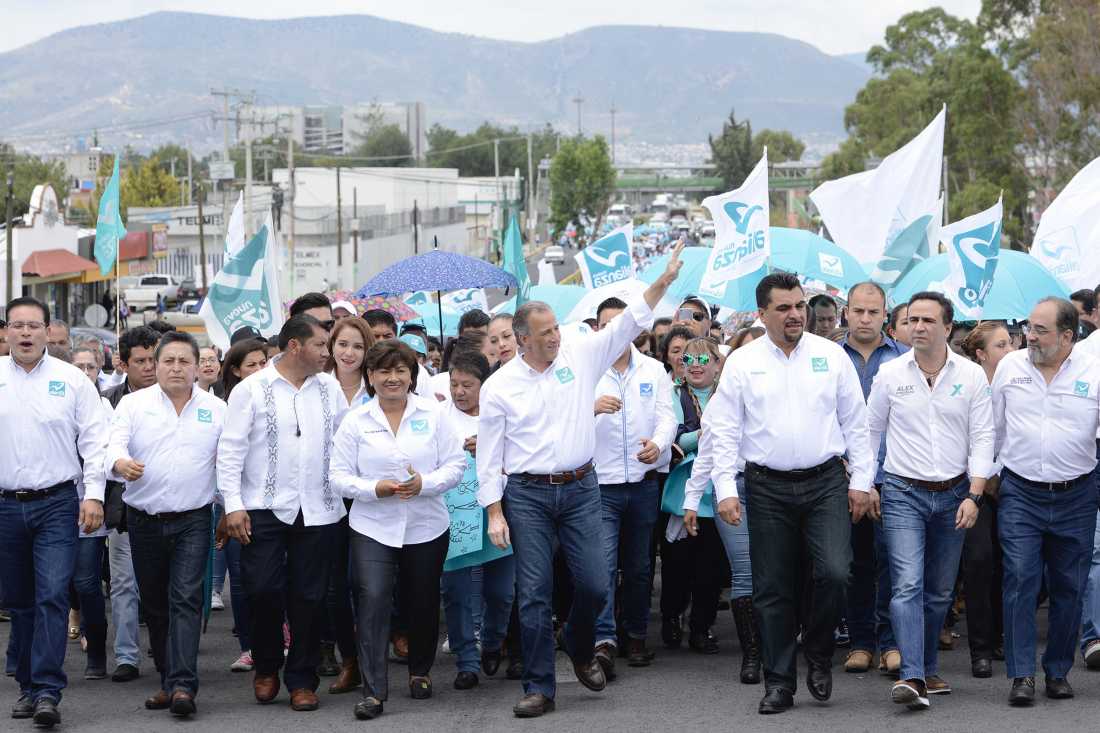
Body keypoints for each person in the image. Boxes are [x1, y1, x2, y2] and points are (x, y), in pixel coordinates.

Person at [476, 242, 684, 718]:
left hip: (582, 489)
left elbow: (628, 322)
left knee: (594, 584)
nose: (555, 338)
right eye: (545, 333)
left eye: (555, 329)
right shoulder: (499, 387)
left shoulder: (581, 356)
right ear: (522, 340)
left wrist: (663, 282)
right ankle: (539, 686)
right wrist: (493, 510)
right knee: (532, 594)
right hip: (526, 496)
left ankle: (579, 638)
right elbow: (489, 455)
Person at [701, 272, 874, 715]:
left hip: (826, 482)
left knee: (835, 572)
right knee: (772, 588)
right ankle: (779, 682)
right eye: (784, 308)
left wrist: (861, 481)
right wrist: (724, 488)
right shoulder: (743, 362)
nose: (796, 314)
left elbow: (857, 423)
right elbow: (722, 428)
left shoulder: (830, 355)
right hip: (767, 486)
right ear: (763, 314)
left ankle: (817, 653)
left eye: (799, 305)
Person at [867, 292, 994, 710]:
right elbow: (869, 432)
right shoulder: (889, 373)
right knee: (907, 584)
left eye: (927, 320)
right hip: (902, 491)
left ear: (948, 327)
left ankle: (926, 667)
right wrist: (867, 483)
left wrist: (975, 494)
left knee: (939, 592)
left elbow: (982, 438)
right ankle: (912, 674)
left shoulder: (972, 375)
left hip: (956, 493)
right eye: (912, 319)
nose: (918, 326)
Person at [218, 315, 347, 712]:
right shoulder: (251, 389)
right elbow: (230, 450)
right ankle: (267, 664)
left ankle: (302, 679)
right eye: (321, 345)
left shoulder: (329, 388)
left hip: (319, 507)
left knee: (309, 597)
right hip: (262, 507)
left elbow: (345, 440)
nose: (328, 353)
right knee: (262, 590)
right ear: (295, 346)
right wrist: (233, 505)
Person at [331, 340, 466, 720]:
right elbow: (338, 477)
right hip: (372, 525)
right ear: (370, 377)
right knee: (372, 599)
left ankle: (419, 671)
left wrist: (426, 483)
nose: (393, 378)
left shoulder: (435, 414)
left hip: (426, 524)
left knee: (421, 600)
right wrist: (373, 489)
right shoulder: (356, 421)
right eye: (383, 372)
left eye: (400, 370)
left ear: (412, 374)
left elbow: (455, 465)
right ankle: (374, 691)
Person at [0, 296, 108, 728]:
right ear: (6, 331)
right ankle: (27, 687)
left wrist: (94, 494)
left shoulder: (72, 380)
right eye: (17, 325)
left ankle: (47, 691)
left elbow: (95, 441)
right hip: (6, 506)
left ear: (48, 330)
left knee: (52, 596)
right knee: (20, 602)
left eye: (34, 325)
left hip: (57, 504)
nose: (26, 333)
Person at [106, 331, 226, 718]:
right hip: (143, 519)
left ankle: (182, 686)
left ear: (197, 366)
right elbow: (112, 445)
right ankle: (167, 679)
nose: (176, 368)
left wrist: (232, 509)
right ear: (155, 365)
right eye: (168, 361)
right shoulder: (132, 405)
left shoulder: (216, 409)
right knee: (155, 603)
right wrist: (120, 463)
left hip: (194, 518)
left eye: (184, 361)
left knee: (186, 599)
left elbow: (228, 465)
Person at [992, 297, 1100, 706]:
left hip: (1077, 495)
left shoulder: (1094, 369)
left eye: (1040, 330)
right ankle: (1022, 676)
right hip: (1021, 492)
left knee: (1069, 586)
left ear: (1068, 336)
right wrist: (990, 475)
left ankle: (1057, 670)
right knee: (1020, 578)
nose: (1029, 336)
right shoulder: (1011, 367)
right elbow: (993, 424)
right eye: (1028, 327)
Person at [591, 297, 677, 675]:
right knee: (604, 565)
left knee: (641, 565)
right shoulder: (584, 372)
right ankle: (604, 639)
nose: (617, 332)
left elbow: (667, 417)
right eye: (609, 325)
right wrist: (590, 408)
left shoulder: (654, 370)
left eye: (623, 323)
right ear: (598, 330)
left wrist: (658, 444)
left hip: (643, 483)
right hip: (600, 485)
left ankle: (637, 633)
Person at [836, 283, 908, 675]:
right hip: (841, 479)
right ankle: (860, 642)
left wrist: (877, 479)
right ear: (845, 312)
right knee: (852, 564)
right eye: (857, 311)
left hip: (894, 477)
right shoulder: (829, 358)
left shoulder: (904, 359)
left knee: (893, 565)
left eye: (873, 312)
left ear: (885, 314)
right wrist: (854, 476)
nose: (865, 319)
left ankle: (890, 643)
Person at [439, 352, 517, 692]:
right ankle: (466, 661)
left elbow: (522, 460)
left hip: (498, 513)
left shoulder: (501, 416)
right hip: (454, 517)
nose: (459, 392)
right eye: (454, 384)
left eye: (467, 385)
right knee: (456, 593)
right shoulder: (438, 418)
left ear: (484, 386)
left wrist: (489, 449)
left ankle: (492, 640)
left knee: (501, 593)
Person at [102, 325, 162, 685]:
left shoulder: (178, 397)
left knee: (164, 586)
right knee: (124, 583)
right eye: (140, 361)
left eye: (153, 359)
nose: (149, 367)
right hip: (123, 508)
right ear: (123, 364)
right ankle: (126, 655)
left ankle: (168, 647)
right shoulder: (109, 401)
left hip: (171, 507)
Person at [318, 317, 374, 694]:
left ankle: (373, 661)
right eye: (342, 344)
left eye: (357, 346)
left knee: (369, 584)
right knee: (336, 585)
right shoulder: (316, 386)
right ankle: (349, 659)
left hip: (372, 496)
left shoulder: (379, 386)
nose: (349, 353)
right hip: (327, 497)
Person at [666, 338, 729, 657]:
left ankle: (702, 627)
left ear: (718, 363)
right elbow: (675, 437)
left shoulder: (728, 395)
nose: (696, 363)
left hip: (720, 492)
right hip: (685, 493)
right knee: (677, 566)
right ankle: (671, 618)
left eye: (704, 357)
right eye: (689, 357)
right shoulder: (674, 395)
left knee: (712, 568)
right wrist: (706, 433)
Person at [960, 321, 1014, 678]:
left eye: (1011, 343)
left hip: (1012, 482)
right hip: (972, 485)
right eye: (1000, 345)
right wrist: (984, 476)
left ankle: (1002, 635)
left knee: (1013, 563)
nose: (1010, 350)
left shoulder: (1018, 381)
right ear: (981, 354)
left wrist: (999, 470)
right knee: (979, 561)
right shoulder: (967, 382)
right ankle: (980, 646)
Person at [213, 338, 269, 674]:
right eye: (252, 364)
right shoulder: (222, 405)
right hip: (235, 504)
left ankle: (282, 639)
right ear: (235, 370)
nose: (261, 370)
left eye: (264, 362)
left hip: (273, 503)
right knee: (244, 580)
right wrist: (227, 504)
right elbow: (224, 458)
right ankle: (250, 646)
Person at [69, 348, 115, 681]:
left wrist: (96, 496)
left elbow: (108, 455)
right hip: (54, 502)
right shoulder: (55, 400)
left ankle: (96, 649)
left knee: (87, 580)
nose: (85, 371)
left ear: (100, 371)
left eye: (91, 366)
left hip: (90, 503)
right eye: (78, 366)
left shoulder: (104, 407)